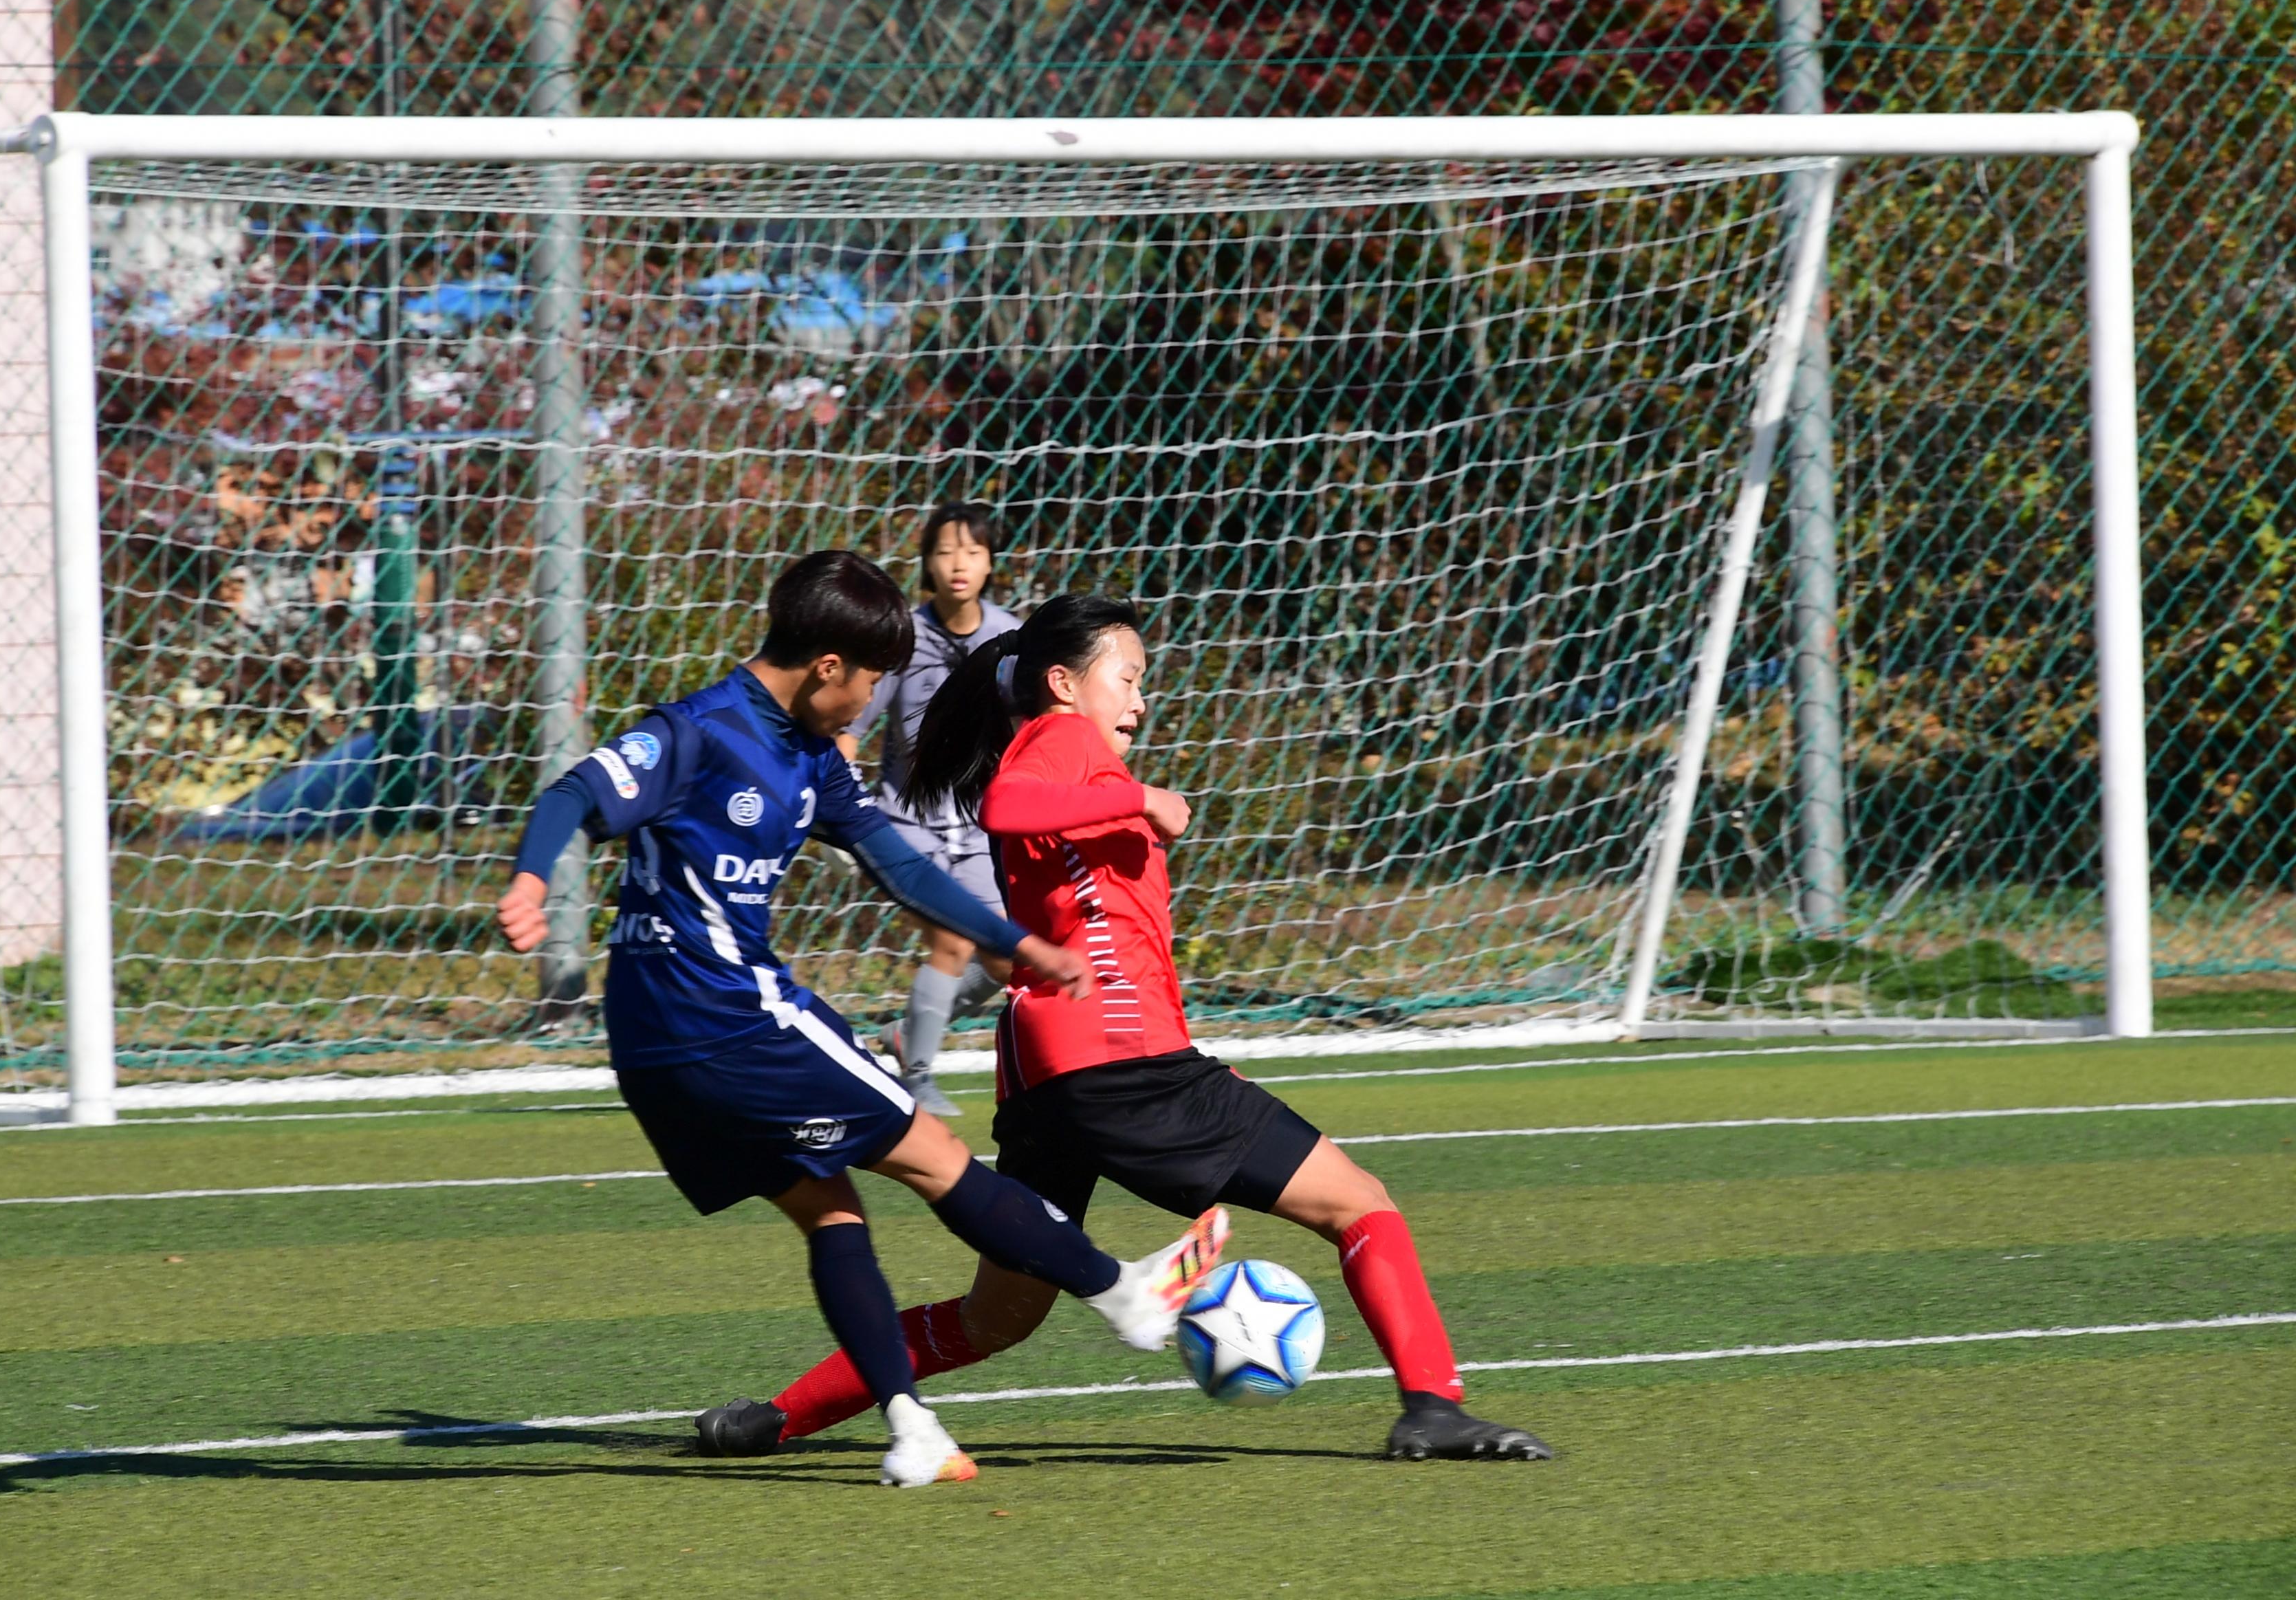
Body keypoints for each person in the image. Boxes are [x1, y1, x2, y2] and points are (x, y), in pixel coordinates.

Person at [692, 594, 1553, 1465]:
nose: (1140, 700)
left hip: (1048, 1073)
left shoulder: (1057, 751)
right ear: (1063, 684)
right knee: (1359, 1202)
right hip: (1125, 1061)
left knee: (999, 1314)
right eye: (1128, 678)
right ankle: (1432, 1406)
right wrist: (1145, 796)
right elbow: (1007, 804)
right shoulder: (1063, 743)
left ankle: (775, 1417)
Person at [496, 556, 1229, 1487]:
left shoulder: (809, 757)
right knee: (934, 1155)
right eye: (875, 681)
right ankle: (1124, 1295)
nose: (877, 702)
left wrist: (1018, 943)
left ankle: (912, 1430)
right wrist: (530, 874)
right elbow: (573, 795)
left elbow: (904, 870)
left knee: (830, 1209)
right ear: (829, 666)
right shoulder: (698, 731)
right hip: (729, 1014)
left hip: (652, 1046)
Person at [839, 502, 1020, 1115]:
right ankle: (915, 1078)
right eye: (944, 551)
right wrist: (843, 803)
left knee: (1005, 956)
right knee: (950, 936)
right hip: (904, 823)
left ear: (992, 561)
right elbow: (850, 727)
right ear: (927, 563)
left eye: (971, 551)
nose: (958, 564)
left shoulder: (1010, 637)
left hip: (976, 827)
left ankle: (904, 1035)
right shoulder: (901, 638)